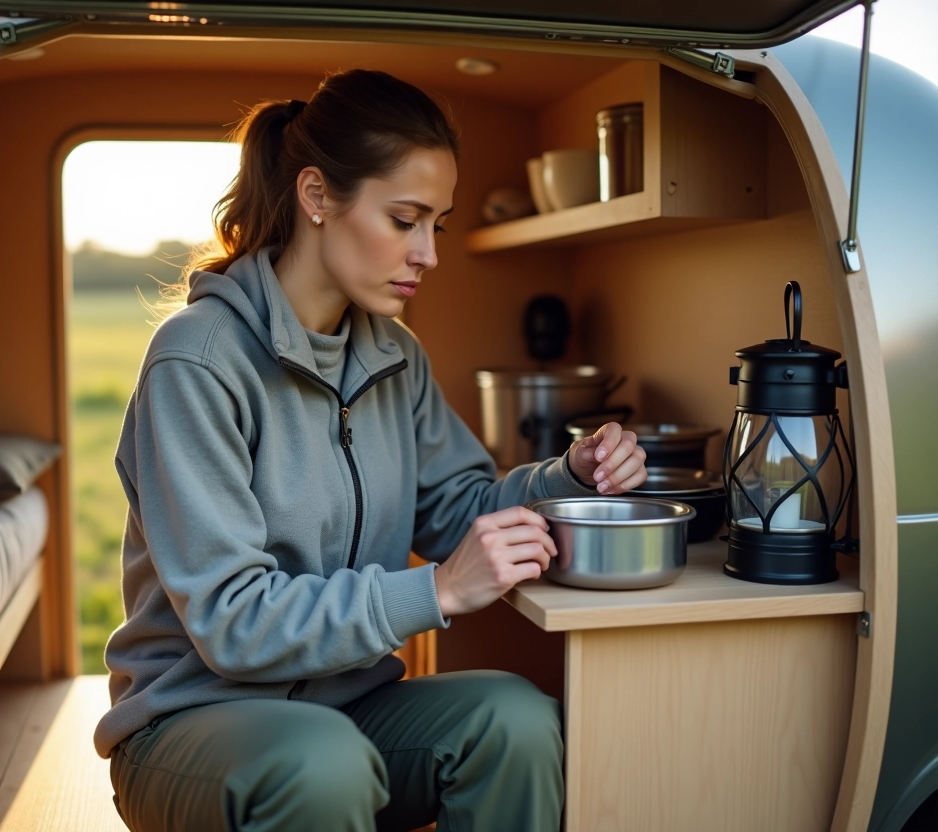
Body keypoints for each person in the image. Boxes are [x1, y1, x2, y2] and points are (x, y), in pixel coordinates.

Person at [94, 69, 647, 832]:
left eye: (437, 225)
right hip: (192, 725)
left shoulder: (394, 355)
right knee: (321, 761)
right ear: (317, 197)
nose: (428, 253)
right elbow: (232, 621)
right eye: (404, 219)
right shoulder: (197, 361)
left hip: (351, 709)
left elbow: (459, 509)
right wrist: (439, 592)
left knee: (515, 719)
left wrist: (569, 477)